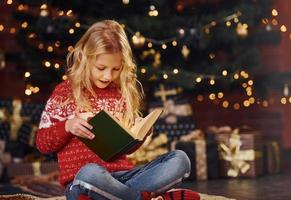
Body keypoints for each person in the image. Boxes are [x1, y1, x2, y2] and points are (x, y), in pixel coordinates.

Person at [36, 20, 200, 200]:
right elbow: (43, 143)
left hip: (124, 178)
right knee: (89, 173)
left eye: (116, 69)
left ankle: (118, 196)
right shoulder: (65, 92)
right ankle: (139, 198)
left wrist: (140, 133)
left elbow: (125, 150)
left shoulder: (120, 93)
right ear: (85, 58)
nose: (108, 76)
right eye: (101, 68)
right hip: (84, 181)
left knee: (180, 160)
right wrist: (67, 126)